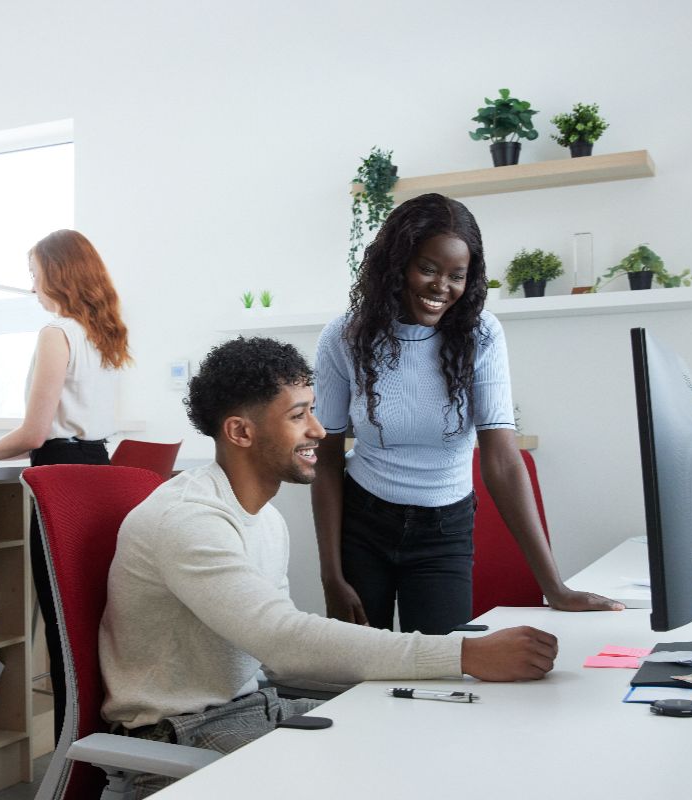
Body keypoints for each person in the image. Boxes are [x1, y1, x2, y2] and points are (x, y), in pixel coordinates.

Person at [99, 336, 557, 792]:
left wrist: (420, 684)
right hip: (179, 737)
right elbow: (283, 640)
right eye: (298, 416)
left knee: (436, 740)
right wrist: (465, 655)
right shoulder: (189, 520)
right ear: (241, 432)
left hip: (260, 708)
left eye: (312, 411)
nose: (319, 430)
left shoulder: (267, 520)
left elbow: (278, 661)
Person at [311, 193, 622, 636]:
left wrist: (553, 586)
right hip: (363, 526)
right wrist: (331, 574)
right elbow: (325, 459)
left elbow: (501, 460)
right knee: (360, 672)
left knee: (442, 672)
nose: (442, 287)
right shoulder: (344, 336)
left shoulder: (481, 334)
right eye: (428, 268)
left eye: (457, 275)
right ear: (394, 263)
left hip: (444, 531)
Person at [0, 229, 131, 741]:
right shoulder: (104, 334)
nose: (32, 285)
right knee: (91, 627)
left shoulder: (56, 332)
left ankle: (70, 756)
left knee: (63, 630)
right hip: (98, 475)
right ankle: (103, 753)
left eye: (34, 273)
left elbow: (35, 433)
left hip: (60, 478)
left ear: (56, 274)